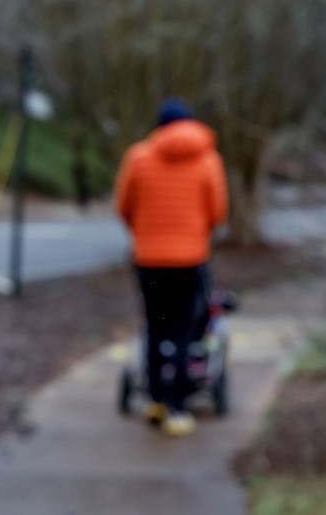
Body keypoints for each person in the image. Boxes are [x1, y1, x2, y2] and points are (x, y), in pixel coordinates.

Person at [114, 99, 228, 436]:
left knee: (154, 326)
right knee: (182, 331)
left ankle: (156, 399)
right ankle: (178, 408)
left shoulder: (137, 157)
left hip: (148, 259)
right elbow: (217, 211)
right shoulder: (208, 160)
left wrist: (145, 233)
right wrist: (193, 233)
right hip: (190, 259)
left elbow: (124, 206)